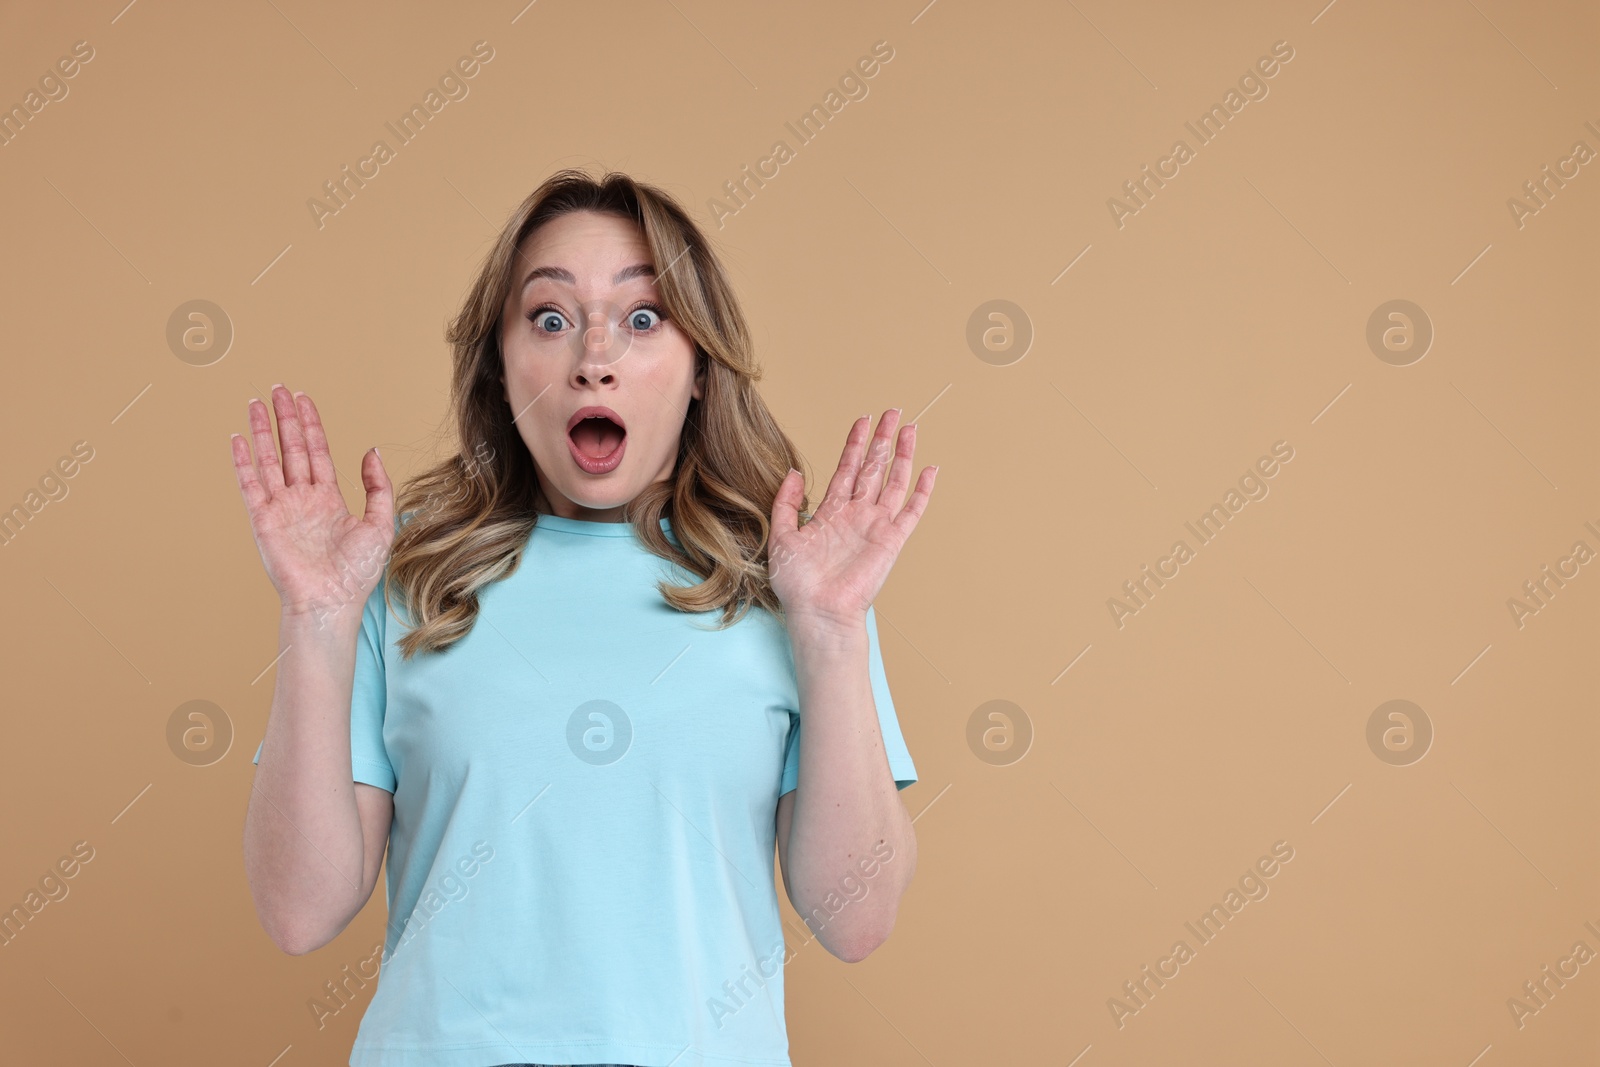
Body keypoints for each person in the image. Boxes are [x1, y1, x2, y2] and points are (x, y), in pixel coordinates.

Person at [236, 169, 938, 1067]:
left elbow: (857, 919)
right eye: (551, 317)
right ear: (499, 362)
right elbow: (299, 910)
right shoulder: (396, 569)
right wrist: (314, 618)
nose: (592, 358)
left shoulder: (792, 582)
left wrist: (835, 633)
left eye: (643, 319)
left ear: (697, 372)